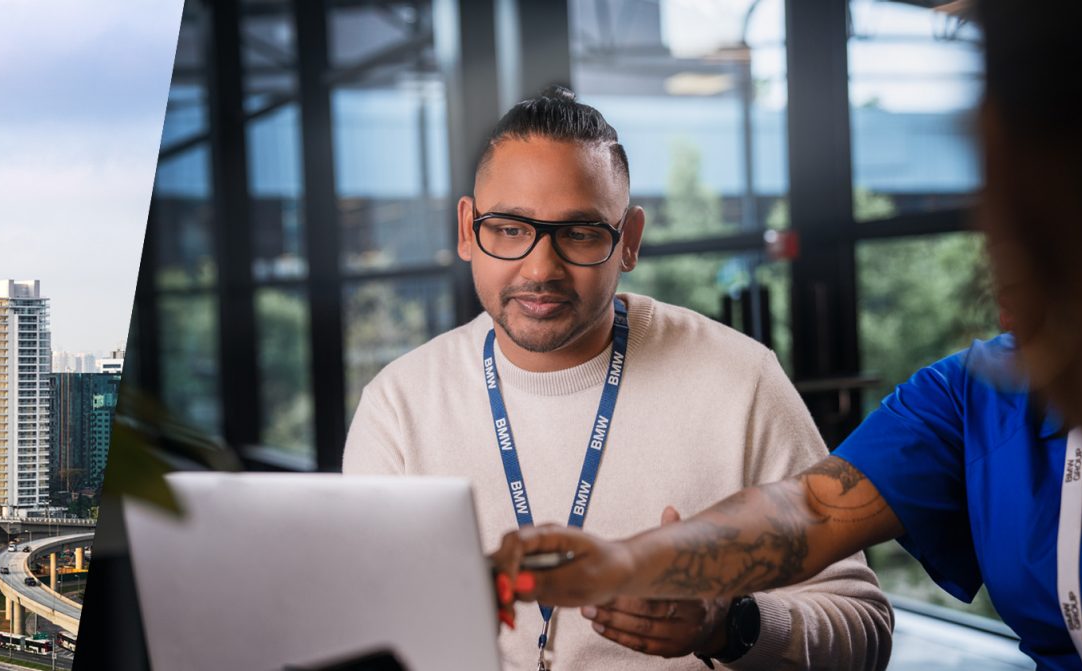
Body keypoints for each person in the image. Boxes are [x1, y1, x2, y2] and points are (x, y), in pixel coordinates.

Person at [490, 3, 1082, 670]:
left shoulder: (736, 372)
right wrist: (625, 561)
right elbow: (808, 508)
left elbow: (856, 612)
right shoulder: (976, 392)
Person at [343, 86, 889, 670]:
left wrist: (729, 624)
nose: (540, 268)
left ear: (628, 240)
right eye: (508, 228)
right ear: (466, 227)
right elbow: (353, 621)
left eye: (580, 233)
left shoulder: (739, 379)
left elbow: (864, 628)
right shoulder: (398, 404)